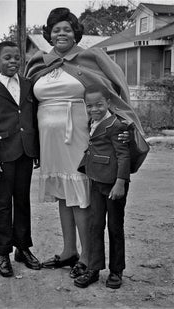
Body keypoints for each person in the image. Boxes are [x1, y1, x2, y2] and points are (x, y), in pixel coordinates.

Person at [25, 7, 144, 278]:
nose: (62, 33)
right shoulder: (39, 63)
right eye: (56, 30)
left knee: (81, 195)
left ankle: (88, 256)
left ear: (75, 32)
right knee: (63, 196)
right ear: (49, 35)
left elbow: (114, 90)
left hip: (79, 134)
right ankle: (69, 251)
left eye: (67, 29)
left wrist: (121, 129)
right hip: (49, 139)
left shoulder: (92, 58)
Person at [0, 41, 41, 277]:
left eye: (16, 57)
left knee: (23, 200)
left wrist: (36, 151)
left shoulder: (28, 84)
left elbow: (32, 118)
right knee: (4, 203)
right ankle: (2, 252)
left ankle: (22, 248)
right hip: (3, 153)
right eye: (7, 58)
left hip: (25, 151)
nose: (12, 61)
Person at [74, 84, 130, 289]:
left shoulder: (117, 125)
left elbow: (124, 155)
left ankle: (116, 271)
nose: (94, 109)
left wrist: (120, 183)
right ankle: (94, 269)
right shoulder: (92, 121)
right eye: (89, 106)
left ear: (108, 102)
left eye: (98, 104)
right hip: (96, 181)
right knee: (95, 225)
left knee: (115, 228)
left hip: (114, 185)